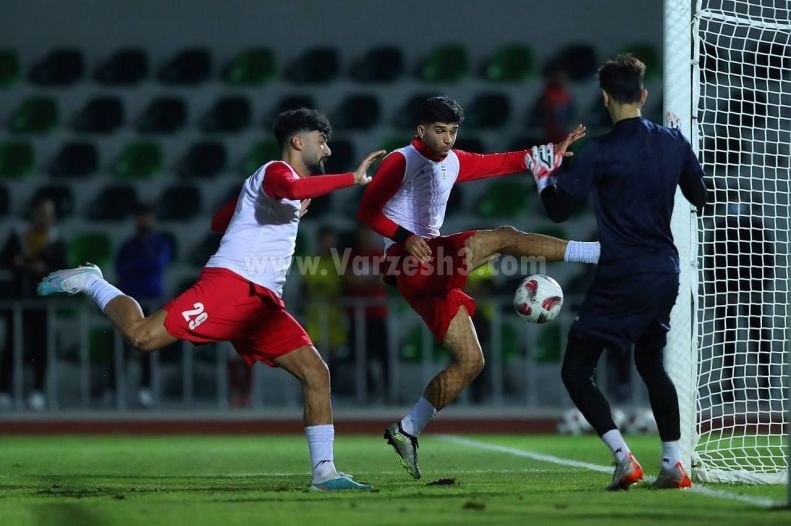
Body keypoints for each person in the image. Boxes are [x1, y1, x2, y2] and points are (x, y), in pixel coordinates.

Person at [38, 108, 384, 491]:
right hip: (230, 286)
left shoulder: (278, 189)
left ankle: (324, 472)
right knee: (141, 337)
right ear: (298, 142)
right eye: (322, 140)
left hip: (264, 302)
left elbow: (220, 221)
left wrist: (265, 211)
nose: (328, 150)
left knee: (316, 373)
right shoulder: (274, 172)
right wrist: (351, 179)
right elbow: (286, 188)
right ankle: (93, 281)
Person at [356, 95, 599, 479]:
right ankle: (598, 251)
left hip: (430, 269)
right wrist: (404, 237)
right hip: (408, 261)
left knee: (472, 361)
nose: (448, 139)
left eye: (453, 132)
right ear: (421, 130)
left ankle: (407, 429)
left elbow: (503, 162)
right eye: (440, 131)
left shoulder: (452, 161)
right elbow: (366, 211)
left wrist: (549, 151)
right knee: (503, 236)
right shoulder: (402, 160)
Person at [530, 55, 708, 490]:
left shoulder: (599, 150)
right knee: (651, 363)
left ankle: (624, 458)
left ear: (606, 98)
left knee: (576, 371)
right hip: (664, 272)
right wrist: (682, 145)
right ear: (643, 96)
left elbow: (557, 210)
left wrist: (542, 175)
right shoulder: (673, 141)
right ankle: (671, 464)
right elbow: (703, 198)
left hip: (621, 272)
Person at [0, 196, 67, 410]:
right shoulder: (19, 235)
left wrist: (44, 269)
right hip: (18, 300)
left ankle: (37, 391)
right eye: (42, 213)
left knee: (41, 347)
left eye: (49, 213)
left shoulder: (56, 239)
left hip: (42, 303)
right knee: (11, 346)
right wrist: (16, 262)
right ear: (33, 213)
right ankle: (4, 390)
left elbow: (64, 270)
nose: (46, 217)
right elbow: (4, 260)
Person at [113, 204, 173, 407]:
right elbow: (122, 269)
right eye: (140, 217)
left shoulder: (161, 244)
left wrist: (138, 265)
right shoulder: (128, 246)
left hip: (152, 302)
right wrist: (142, 264)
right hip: (130, 302)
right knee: (122, 348)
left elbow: (156, 266)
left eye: (147, 217)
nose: (143, 221)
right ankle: (115, 391)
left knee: (149, 347)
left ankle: (145, 390)